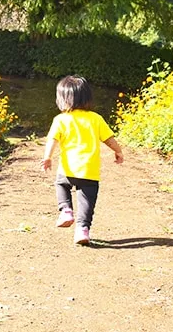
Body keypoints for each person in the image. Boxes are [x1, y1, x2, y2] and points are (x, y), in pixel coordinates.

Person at [40, 76, 124, 245]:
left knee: (61, 185)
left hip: (67, 168)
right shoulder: (96, 118)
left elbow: (53, 140)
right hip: (89, 171)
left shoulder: (61, 119)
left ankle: (66, 210)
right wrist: (118, 151)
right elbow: (109, 139)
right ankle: (82, 230)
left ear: (62, 99)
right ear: (87, 97)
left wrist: (47, 157)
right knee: (87, 200)